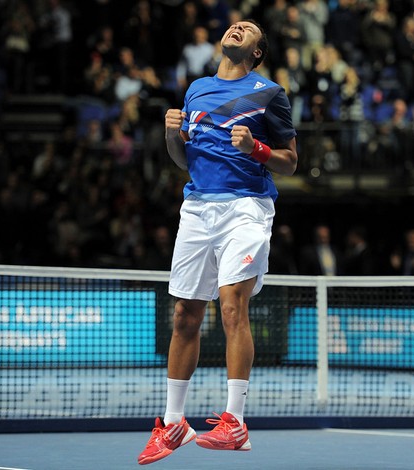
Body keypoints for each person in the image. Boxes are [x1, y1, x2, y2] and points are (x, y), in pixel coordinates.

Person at [137, 19, 298, 465]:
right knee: (186, 314)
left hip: (246, 207)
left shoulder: (270, 93)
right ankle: (173, 424)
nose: (238, 26)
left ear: (256, 52)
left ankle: (235, 422)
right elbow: (183, 160)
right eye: (235, 24)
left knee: (231, 306)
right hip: (197, 208)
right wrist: (172, 135)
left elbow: (290, 162)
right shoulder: (195, 90)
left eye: (249, 28)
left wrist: (257, 150)